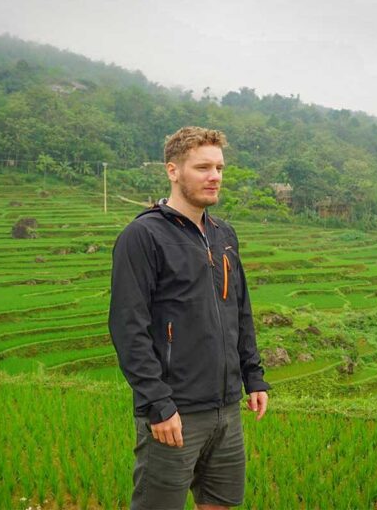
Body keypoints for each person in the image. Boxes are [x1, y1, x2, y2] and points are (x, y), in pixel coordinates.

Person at [109, 126, 270, 510]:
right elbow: (127, 327)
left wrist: (253, 375)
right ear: (173, 170)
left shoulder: (223, 234)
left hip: (227, 408)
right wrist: (157, 404)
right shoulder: (143, 236)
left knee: (220, 503)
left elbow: (240, 310)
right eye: (202, 167)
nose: (214, 176)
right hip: (175, 411)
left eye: (219, 167)